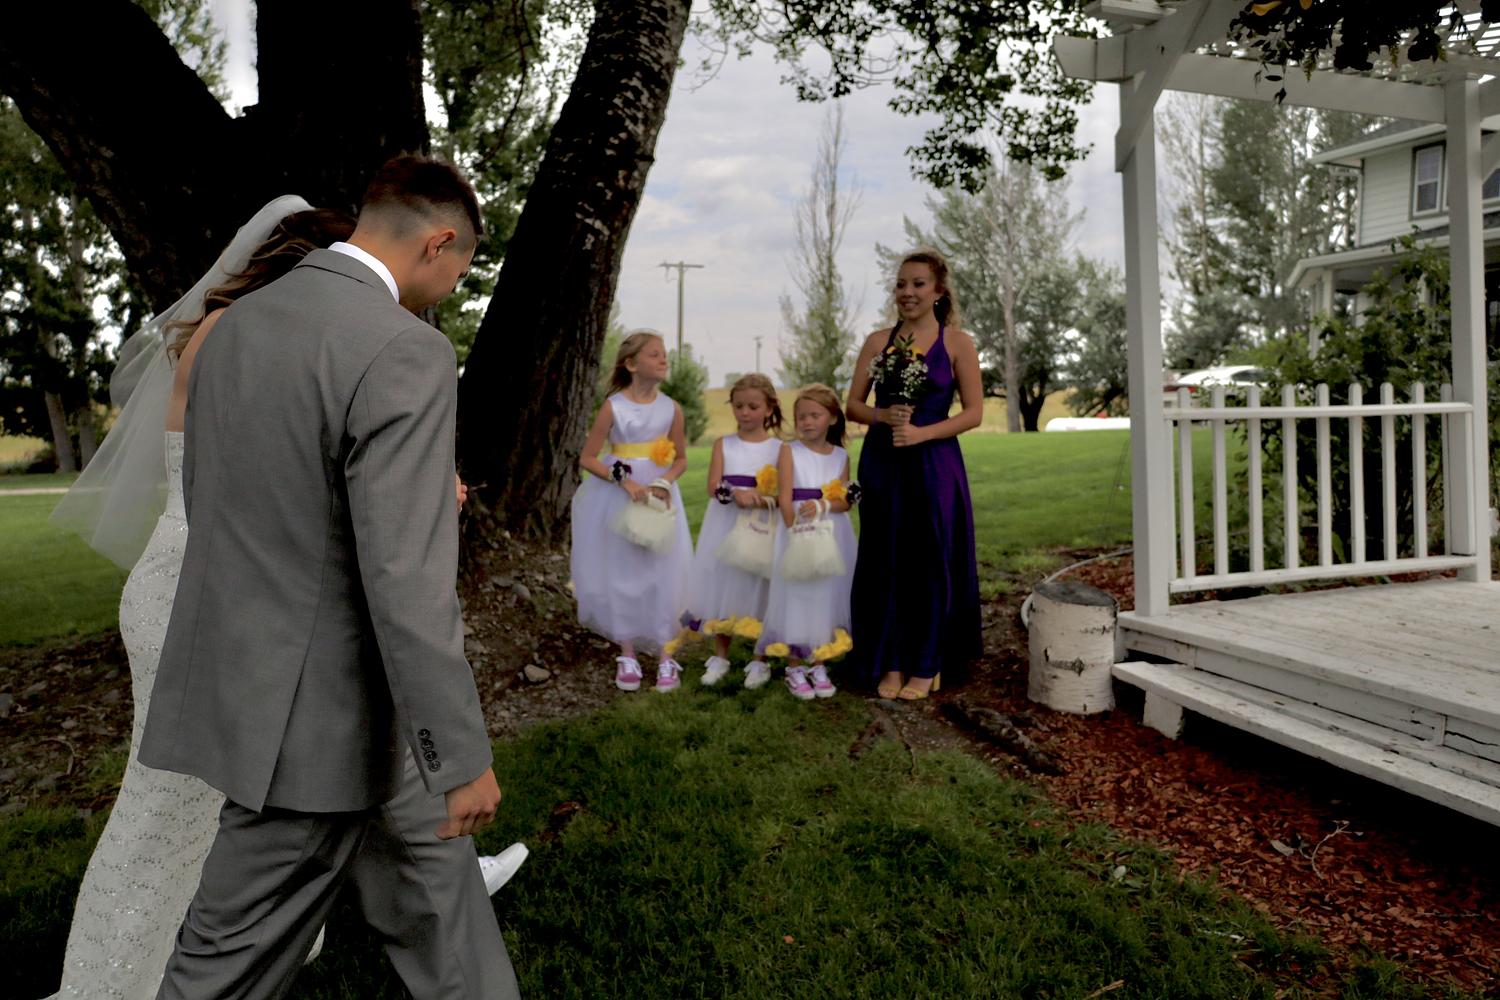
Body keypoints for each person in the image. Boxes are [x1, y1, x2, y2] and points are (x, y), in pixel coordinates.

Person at [135, 156, 515, 999]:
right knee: (223, 965)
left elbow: (216, 504)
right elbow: (407, 579)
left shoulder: (231, 327)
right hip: (312, 725)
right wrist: (460, 757)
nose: (450, 290)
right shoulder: (405, 349)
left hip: (313, 695)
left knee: (444, 903)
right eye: (460, 272)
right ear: (438, 243)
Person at [845, 248, 982, 700]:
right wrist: (883, 416)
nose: (907, 292)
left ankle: (927, 662)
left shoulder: (958, 343)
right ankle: (891, 659)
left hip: (935, 462)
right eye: (901, 284)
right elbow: (853, 406)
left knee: (929, 558)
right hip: (883, 462)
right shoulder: (876, 342)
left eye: (918, 284)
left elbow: (974, 413)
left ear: (938, 291)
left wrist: (923, 433)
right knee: (885, 557)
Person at [571, 330, 692, 692]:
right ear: (631, 364)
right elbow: (588, 457)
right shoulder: (614, 407)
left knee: (662, 569)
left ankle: (666, 653)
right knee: (623, 570)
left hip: (660, 496)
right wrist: (622, 481)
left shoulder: (671, 409)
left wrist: (664, 481)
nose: (663, 359)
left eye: (664, 353)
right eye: (654, 354)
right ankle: (627, 652)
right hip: (619, 495)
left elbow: (681, 459)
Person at [682, 373, 783, 689]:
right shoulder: (723, 445)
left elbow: (785, 489)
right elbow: (713, 485)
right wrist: (734, 494)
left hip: (762, 523)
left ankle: (759, 659)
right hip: (726, 521)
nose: (745, 412)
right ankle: (720, 656)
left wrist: (763, 498)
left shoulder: (780, 449)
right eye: (739, 406)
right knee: (723, 583)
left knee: (760, 585)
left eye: (753, 406)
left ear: (769, 409)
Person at [755, 384, 856, 700]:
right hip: (797, 529)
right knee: (798, 593)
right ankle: (794, 665)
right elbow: (785, 498)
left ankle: (819, 662)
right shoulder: (790, 451)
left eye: (815, 415)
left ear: (832, 418)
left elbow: (844, 502)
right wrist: (794, 532)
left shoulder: (840, 456)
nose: (807, 422)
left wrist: (825, 505)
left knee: (825, 593)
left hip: (831, 530)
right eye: (801, 417)